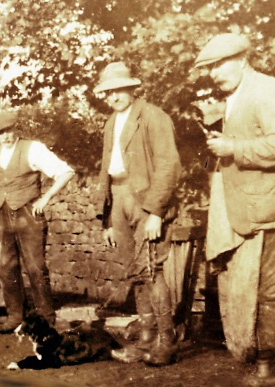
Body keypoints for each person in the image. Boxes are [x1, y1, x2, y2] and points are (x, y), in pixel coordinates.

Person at [194, 33, 275, 387]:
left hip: (273, 204)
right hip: (258, 203)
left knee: (266, 289)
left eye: (219, 64)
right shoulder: (238, 96)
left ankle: (267, 374)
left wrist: (233, 147)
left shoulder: (266, 89)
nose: (214, 74)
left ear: (242, 58)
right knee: (274, 287)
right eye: (209, 68)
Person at [93, 62, 183, 366]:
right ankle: (145, 339)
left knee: (151, 269)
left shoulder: (154, 117)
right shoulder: (110, 123)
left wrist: (155, 212)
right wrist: (106, 216)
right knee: (135, 271)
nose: (112, 96)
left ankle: (166, 341)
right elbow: (106, 169)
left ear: (132, 88)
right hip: (119, 197)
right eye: (107, 92)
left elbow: (168, 166)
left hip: (144, 199)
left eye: (117, 89)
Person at [0, 110, 75, 333]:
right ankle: (16, 316)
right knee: (6, 266)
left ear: (16, 128)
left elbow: (65, 172)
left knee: (36, 267)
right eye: (0, 133)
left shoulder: (33, 148)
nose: (5, 136)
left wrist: (46, 198)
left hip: (28, 213)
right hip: (2, 214)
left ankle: (46, 318)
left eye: (8, 130)